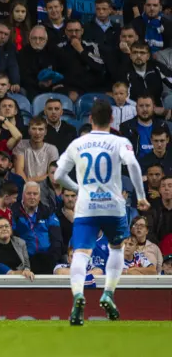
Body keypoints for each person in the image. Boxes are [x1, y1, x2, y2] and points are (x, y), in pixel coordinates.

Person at [55, 100, 150, 326]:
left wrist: (79, 188)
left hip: (86, 207)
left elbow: (58, 176)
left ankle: (78, 295)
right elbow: (134, 165)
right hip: (113, 207)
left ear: (90, 119)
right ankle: (108, 292)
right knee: (116, 248)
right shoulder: (119, 141)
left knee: (80, 253)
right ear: (112, 120)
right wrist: (141, 195)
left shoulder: (78, 144)